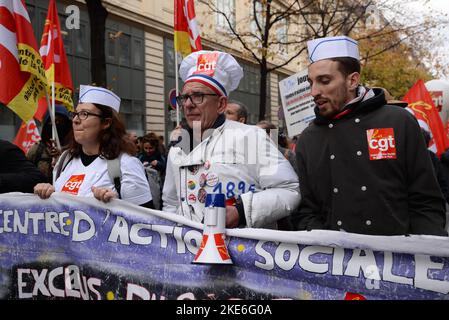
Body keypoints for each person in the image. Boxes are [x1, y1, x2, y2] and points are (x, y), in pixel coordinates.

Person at [292, 35, 447, 236]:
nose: (314, 92)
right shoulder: (308, 139)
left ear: (352, 80)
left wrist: (425, 254)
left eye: (324, 81)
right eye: (310, 83)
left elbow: (426, 201)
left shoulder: (398, 122)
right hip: (335, 261)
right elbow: (307, 211)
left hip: (399, 260)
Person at [162, 50, 300, 229]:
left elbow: (289, 190)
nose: (188, 104)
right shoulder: (178, 147)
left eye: (198, 96)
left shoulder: (251, 137)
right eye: (184, 97)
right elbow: (171, 203)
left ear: (221, 104)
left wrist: (241, 211)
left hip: (245, 252)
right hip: (190, 251)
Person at [34, 85, 153, 208]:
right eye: (75, 113)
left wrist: (116, 204)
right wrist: (48, 192)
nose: (75, 120)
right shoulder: (66, 159)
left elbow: (146, 220)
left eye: (84, 114)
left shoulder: (126, 165)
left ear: (106, 122)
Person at [27, 105, 72, 182]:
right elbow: (27, 174)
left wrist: (63, 157)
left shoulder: (76, 149)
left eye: (61, 122)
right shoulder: (37, 150)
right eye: (53, 122)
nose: (57, 125)